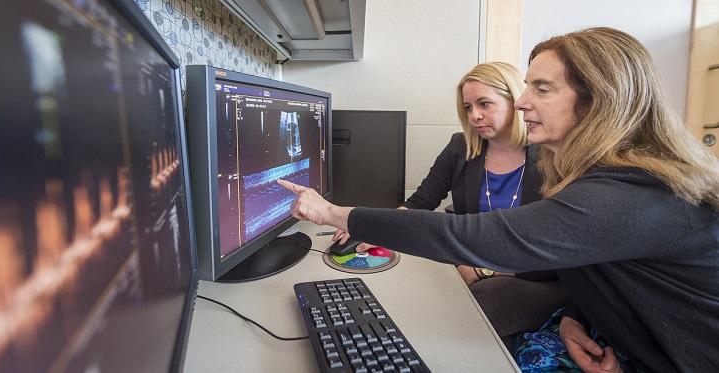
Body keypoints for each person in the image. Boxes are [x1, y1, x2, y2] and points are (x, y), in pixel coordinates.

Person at [278, 26, 719, 372]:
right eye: (526, 87)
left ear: (599, 101)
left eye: (542, 89)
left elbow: (488, 238)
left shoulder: (631, 190)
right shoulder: (588, 174)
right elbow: (596, 269)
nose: (524, 102)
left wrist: (335, 212)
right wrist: (578, 320)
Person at [336, 61, 565, 347]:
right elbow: (421, 202)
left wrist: (483, 270)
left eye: (484, 104)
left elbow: (553, 248)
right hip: (469, 263)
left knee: (482, 303)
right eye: (468, 107)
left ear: (515, 100)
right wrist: (371, 226)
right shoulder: (461, 147)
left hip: (535, 276)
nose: (475, 116)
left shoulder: (552, 156)